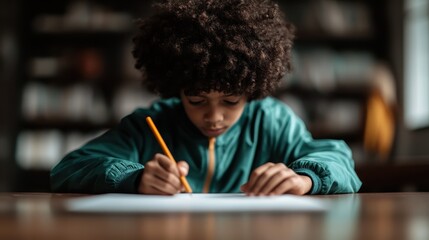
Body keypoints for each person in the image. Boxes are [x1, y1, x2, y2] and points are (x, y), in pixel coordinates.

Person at [50, 0, 362, 195]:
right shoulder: (150, 125)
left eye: (230, 101)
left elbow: (341, 163)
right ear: (176, 88)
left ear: (252, 89)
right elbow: (68, 169)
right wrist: (135, 178)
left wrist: (304, 178)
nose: (214, 117)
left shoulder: (273, 121)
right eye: (197, 101)